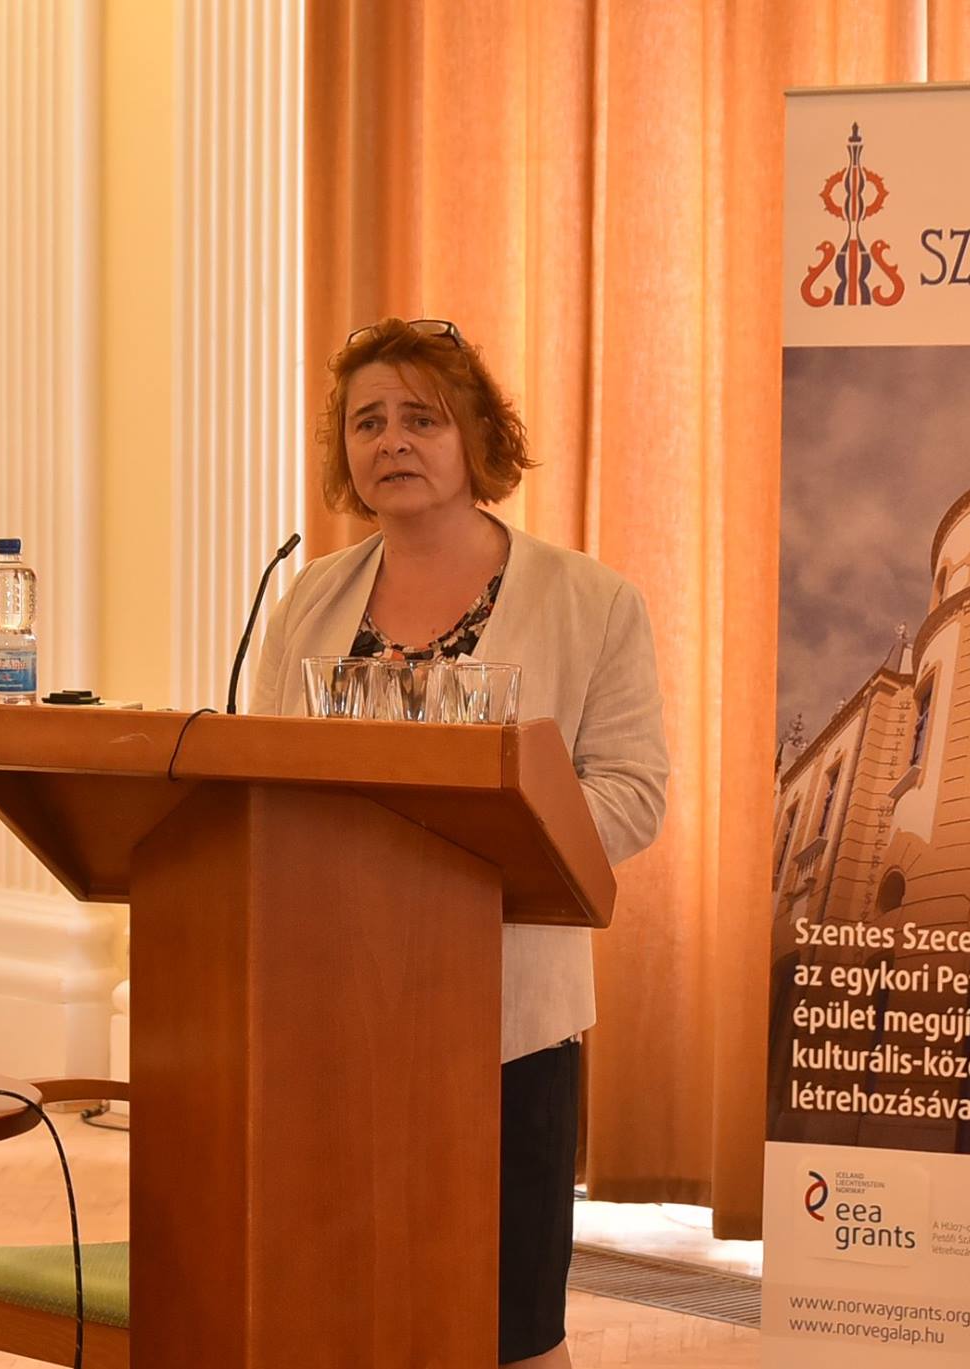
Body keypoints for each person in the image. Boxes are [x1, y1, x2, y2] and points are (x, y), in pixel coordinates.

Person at [251, 316, 669, 1368]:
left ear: (476, 437)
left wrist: (490, 847)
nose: (391, 441)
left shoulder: (591, 600)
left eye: (420, 418)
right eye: (366, 422)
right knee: (344, 1301)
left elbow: (632, 792)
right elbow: (264, 775)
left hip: (506, 1011)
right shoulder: (308, 600)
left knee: (507, 1326)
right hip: (335, 1001)